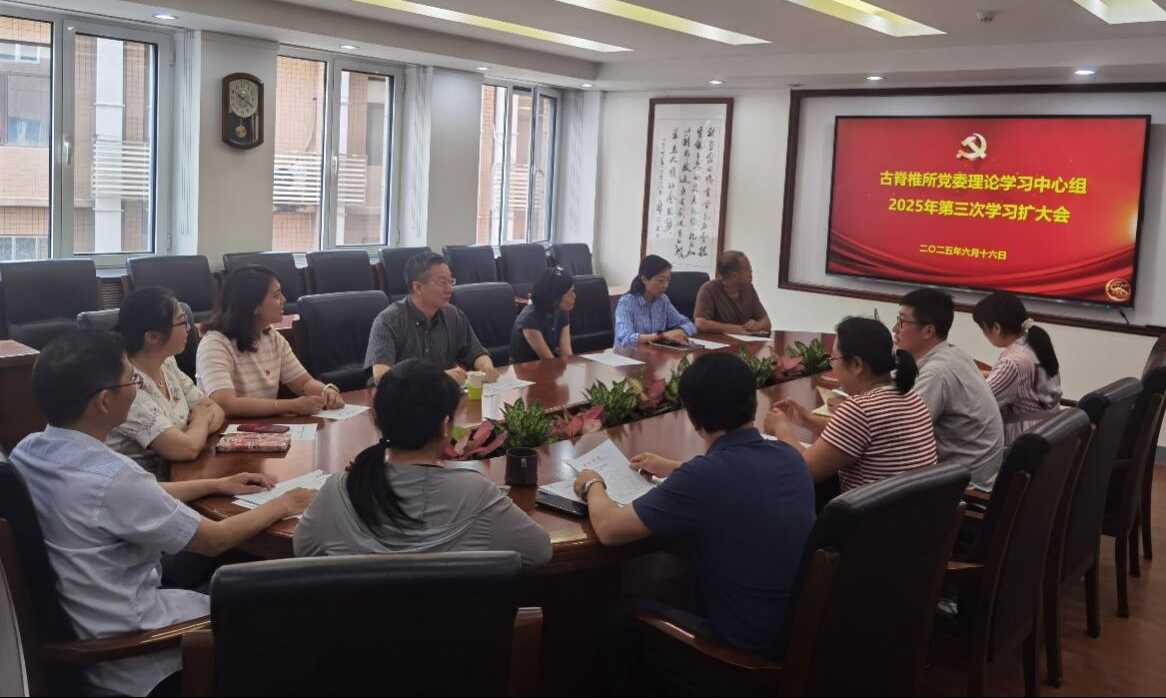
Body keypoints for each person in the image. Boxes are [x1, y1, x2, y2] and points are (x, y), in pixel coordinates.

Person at [9, 330, 314, 697]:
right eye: (131, 380)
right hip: (137, 654)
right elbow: (214, 540)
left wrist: (214, 484)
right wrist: (285, 503)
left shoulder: (30, 450)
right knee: (283, 601)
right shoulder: (115, 478)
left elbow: (128, 497)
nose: (137, 388)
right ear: (104, 402)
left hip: (88, 621)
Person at [572, 352, 814, 658]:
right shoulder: (790, 458)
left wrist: (593, 484)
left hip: (741, 650)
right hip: (792, 632)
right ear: (752, 402)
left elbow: (609, 529)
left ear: (693, 416)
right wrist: (673, 467)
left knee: (618, 606)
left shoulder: (705, 477)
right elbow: (737, 474)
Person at [295, 359, 552, 568]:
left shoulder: (338, 491)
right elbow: (540, 551)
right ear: (444, 426)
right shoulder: (476, 494)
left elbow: (303, 549)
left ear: (377, 420)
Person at [766, 317, 936, 492]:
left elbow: (804, 470)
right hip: (911, 506)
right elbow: (855, 437)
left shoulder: (860, 409)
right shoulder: (910, 397)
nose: (832, 366)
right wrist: (807, 420)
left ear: (856, 365)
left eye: (834, 358)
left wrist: (781, 429)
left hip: (870, 508)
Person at [106, 288, 226, 478]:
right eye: (182, 322)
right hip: (146, 484)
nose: (189, 328)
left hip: (185, 472)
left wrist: (194, 434)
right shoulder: (127, 385)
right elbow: (186, 449)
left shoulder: (167, 362)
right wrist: (200, 420)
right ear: (152, 337)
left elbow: (215, 409)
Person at [197, 265, 343, 418]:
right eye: (276, 295)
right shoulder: (214, 344)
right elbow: (225, 404)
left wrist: (326, 391)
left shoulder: (272, 337)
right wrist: (292, 405)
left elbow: (304, 383)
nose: (284, 300)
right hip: (227, 428)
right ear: (253, 305)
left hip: (266, 426)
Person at [894, 289, 1005, 490]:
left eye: (902, 321)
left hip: (965, 485)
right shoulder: (953, 353)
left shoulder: (937, 372)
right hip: (974, 472)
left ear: (928, 331)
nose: (895, 329)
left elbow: (900, 432)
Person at [364, 252, 499, 385]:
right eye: (442, 283)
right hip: (400, 396)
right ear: (418, 287)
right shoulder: (388, 321)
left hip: (443, 394)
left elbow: (476, 353)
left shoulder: (453, 315)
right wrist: (439, 377)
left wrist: (486, 367)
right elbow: (382, 377)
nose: (450, 289)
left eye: (451, 281)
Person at [973, 292, 1063, 445]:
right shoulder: (1034, 344)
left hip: (1023, 441)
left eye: (984, 329)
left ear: (996, 328)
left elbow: (980, 403)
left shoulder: (1013, 362)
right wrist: (985, 374)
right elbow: (1024, 379)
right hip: (1048, 430)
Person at [613, 255, 697, 349]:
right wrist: (662, 336)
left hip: (653, 353)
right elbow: (626, 339)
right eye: (660, 280)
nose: (665, 285)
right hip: (627, 355)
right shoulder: (626, 303)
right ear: (644, 279)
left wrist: (680, 331)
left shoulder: (663, 300)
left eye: (668, 280)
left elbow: (690, 325)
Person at [693, 250, 772, 335]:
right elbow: (700, 323)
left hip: (745, 340)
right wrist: (737, 329)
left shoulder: (748, 288)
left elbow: (766, 322)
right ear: (734, 276)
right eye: (747, 269)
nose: (751, 272)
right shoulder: (708, 289)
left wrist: (757, 326)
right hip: (718, 341)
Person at [509, 266, 575, 363]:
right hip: (526, 368)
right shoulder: (529, 319)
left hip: (548, 366)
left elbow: (567, 354)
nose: (574, 296)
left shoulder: (562, 310)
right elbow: (548, 360)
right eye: (570, 293)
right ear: (556, 298)